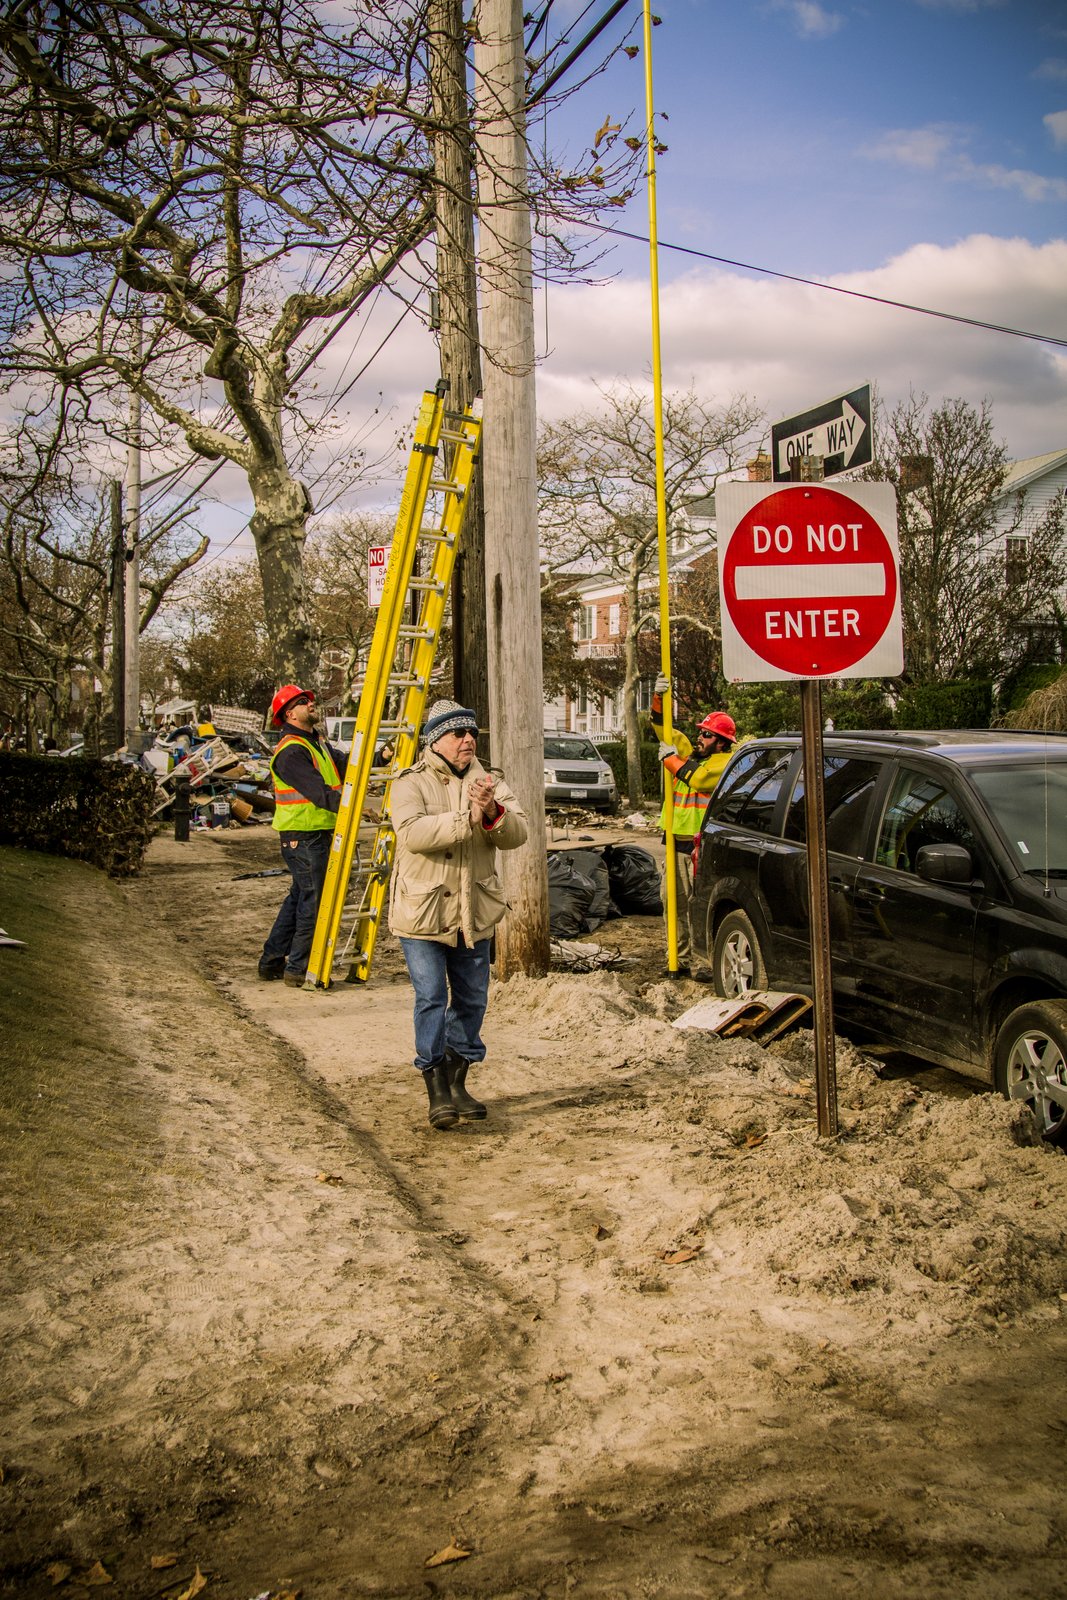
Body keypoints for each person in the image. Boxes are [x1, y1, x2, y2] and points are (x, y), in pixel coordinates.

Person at [388, 698, 527, 1130]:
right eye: (458, 733)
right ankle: (435, 1087)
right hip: (424, 913)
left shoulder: (491, 782)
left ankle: (456, 1080)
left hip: (475, 911)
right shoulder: (409, 782)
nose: (468, 740)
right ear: (437, 740)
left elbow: (518, 834)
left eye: (472, 734)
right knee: (431, 997)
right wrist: (465, 817)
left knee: (472, 999)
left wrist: (492, 812)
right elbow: (411, 833)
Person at [259, 684, 346, 987]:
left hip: (312, 833)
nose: (310, 704)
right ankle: (298, 968)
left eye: (308, 699)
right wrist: (356, 807)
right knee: (314, 901)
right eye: (302, 701)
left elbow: (346, 766)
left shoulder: (315, 743)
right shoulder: (291, 752)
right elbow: (319, 793)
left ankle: (271, 962)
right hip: (303, 836)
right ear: (289, 714)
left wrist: (382, 756)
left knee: (299, 897)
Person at [650, 673, 737, 974]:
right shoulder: (689, 754)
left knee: (699, 905)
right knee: (671, 904)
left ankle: (705, 963)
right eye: (700, 733)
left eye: (707, 735)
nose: (700, 738)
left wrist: (671, 761)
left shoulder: (723, 764)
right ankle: (678, 958)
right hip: (674, 841)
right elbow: (661, 730)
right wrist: (658, 698)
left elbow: (697, 780)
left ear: (722, 742)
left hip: (701, 847)